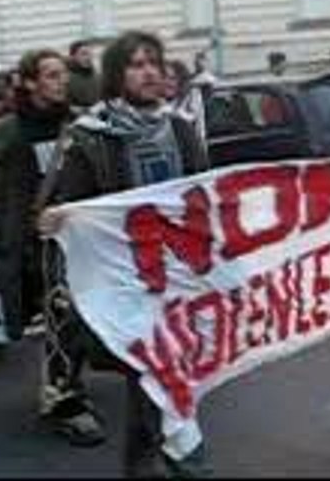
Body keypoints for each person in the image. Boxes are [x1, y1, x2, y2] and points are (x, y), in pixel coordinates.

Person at [41, 31, 211, 478]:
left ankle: (159, 461)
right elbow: (61, 206)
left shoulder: (179, 127)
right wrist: (56, 217)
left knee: (173, 375)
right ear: (116, 76)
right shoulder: (88, 136)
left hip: (177, 275)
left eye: (154, 62)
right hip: (125, 280)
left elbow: (202, 192)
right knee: (153, 377)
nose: (149, 71)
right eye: (136, 64)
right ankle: (177, 464)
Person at [0, 49, 106, 447]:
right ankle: (64, 399)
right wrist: (7, 244)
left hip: (80, 238)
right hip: (35, 245)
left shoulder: (83, 123)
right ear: (30, 82)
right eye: (51, 75)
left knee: (77, 319)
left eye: (63, 74)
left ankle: (66, 386)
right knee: (60, 319)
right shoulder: (5, 132)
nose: (61, 82)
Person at [67, 40, 101, 113]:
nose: (88, 57)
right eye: (84, 54)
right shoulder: (66, 79)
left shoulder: (99, 77)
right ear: (72, 56)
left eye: (90, 54)